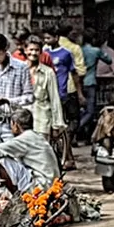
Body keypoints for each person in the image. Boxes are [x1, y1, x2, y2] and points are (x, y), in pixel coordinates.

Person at [0, 33, 35, 190]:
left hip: (11, 124)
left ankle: (22, 193)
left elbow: (29, 97)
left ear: (5, 50)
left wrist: (8, 101)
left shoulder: (21, 67)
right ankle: (0, 194)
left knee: (15, 160)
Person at [0, 107, 60, 193]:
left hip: (43, 185)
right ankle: (8, 193)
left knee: (2, 160)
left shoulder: (25, 138)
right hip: (51, 182)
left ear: (16, 125)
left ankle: (14, 193)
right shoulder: (36, 136)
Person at [43, 28, 79, 169]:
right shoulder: (44, 54)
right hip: (49, 95)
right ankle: (66, 157)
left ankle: (68, 156)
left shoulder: (66, 53)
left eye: (49, 38)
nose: (47, 41)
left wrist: (79, 92)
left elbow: (74, 72)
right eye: (45, 38)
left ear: (57, 37)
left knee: (66, 126)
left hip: (63, 93)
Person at [24, 35, 65, 142]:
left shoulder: (48, 72)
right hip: (23, 120)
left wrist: (57, 124)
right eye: (31, 50)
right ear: (25, 50)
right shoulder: (20, 70)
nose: (33, 53)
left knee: (41, 153)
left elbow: (54, 99)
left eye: (36, 50)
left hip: (41, 121)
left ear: (41, 52)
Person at [78, 29, 114, 144]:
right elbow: (109, 60)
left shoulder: (79, 50)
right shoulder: (95, 51)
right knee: (90, 111)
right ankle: (75, 129)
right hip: (91, 82)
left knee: (81, 110)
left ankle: (81, 134)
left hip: (79, 82)